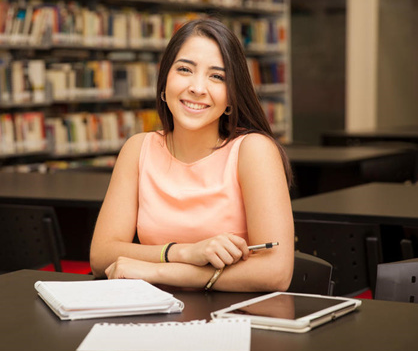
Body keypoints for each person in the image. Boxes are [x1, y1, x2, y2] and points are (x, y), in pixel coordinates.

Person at [90, 18, 294, 292]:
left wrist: (161, 271)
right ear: (165, 79)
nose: (198, 88)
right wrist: (184, 252)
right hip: (151, 315)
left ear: (232, 95)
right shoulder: (138, 148)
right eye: (185, 69)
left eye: (217, 76)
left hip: (234, 320)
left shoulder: (253, 150)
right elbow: (101, 255)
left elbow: (276, 272)